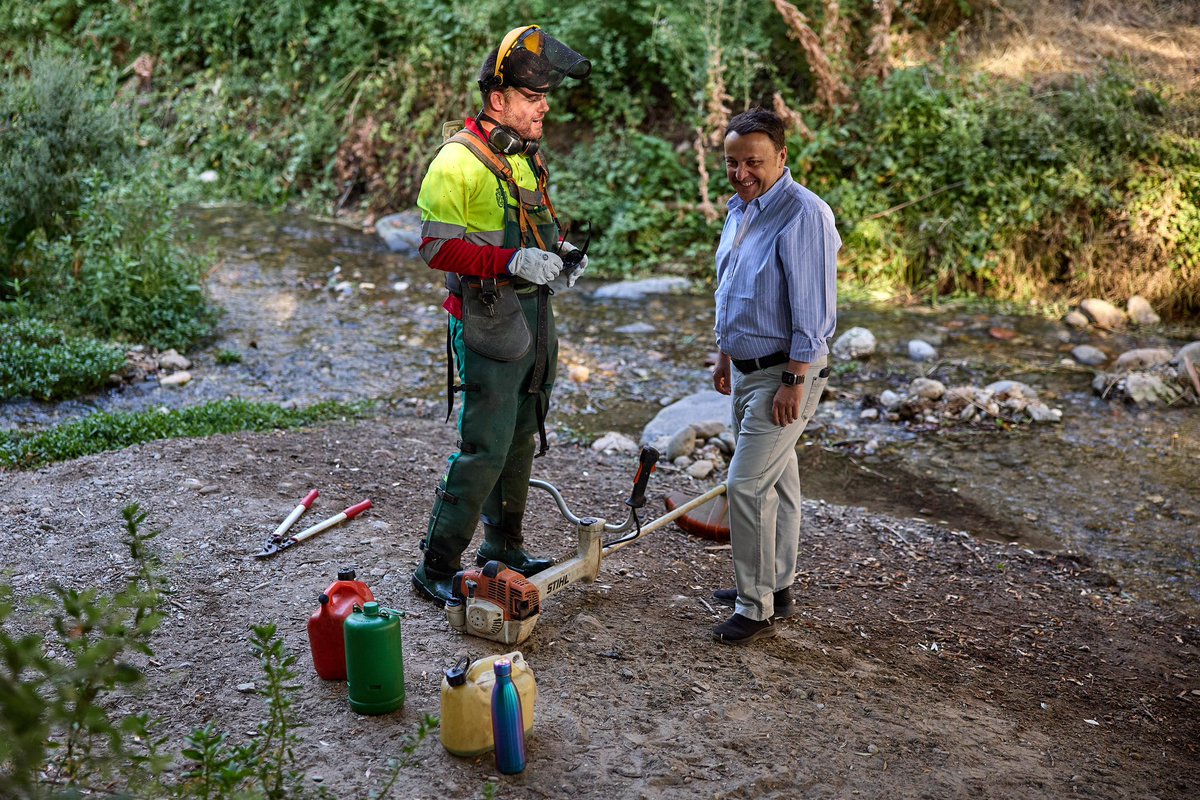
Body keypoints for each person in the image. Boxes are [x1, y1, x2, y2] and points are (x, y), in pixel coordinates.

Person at [411, 26, 591, 605]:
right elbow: (437, 248)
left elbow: (537, 222)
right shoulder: (456, 162)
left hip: (537, 320)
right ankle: (436, 563)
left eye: (546, 98)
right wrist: (512, 259)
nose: (545, 108)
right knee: (485, 445)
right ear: (498, 100)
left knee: (520, 439)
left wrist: (559, 254)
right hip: (488, 320)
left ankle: (502, 549)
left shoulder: (525, 156)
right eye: (534, 98)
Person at [710, 108, 839, 644]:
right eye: (732, 163)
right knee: (779, 481)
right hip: (744, 368)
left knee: (745, 485)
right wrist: (724, 354)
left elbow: (813, 309)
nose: (742, 173)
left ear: (782, 158)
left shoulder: (803, 214)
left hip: (784, 374)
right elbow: (731, 288)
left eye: (754, 163)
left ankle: (755, 604)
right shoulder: (739, 212)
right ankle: (777, 587)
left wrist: (796, 380)